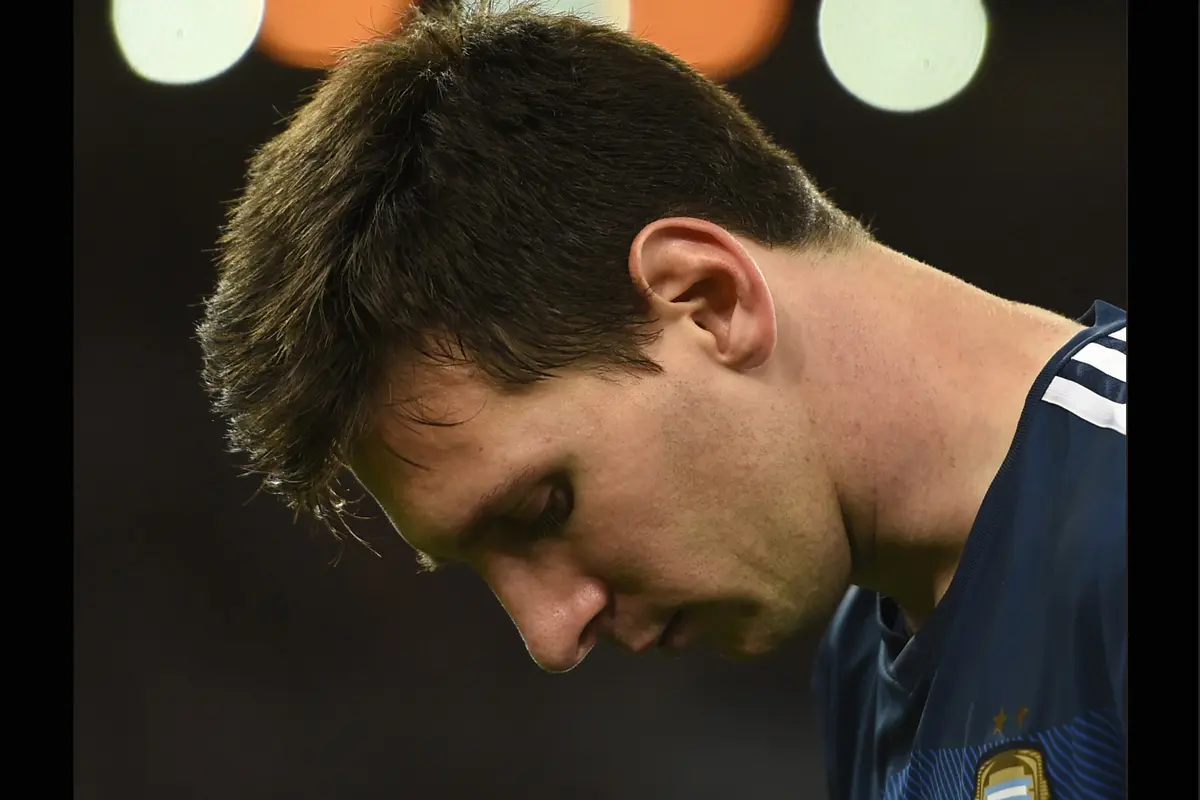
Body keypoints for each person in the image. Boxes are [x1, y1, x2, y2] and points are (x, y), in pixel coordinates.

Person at [197, 3, 1126, 798]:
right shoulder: (866, 654)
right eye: (479, 568)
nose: (552, 636)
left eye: (543, 507)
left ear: (708, 300)